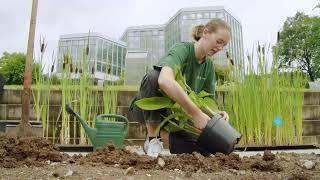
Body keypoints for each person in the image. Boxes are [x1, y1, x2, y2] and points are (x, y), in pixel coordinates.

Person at [130, 18, 231, 157]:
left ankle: (163, 136)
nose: (220, 48)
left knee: (203, 148)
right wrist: (195, 113)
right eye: (219, 42)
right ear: (206, 33)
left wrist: (215, 114)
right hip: (148, 109)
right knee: (154, 76)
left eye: (223, 45)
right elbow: (164, 81)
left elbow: (206, 100)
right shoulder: (182, 49)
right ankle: (152, 138)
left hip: (177, 117)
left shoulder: (208, 67)